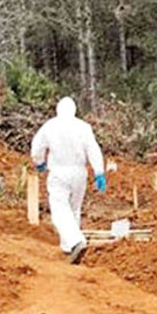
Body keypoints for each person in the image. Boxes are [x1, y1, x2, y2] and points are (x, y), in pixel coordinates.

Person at [31, 96, 106, 264]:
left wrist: (39, 162)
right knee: (74, 209)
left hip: (59, 171)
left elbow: (37, 147)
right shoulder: (83, 127)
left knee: (59, 210)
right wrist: (99, 172)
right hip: (79, 173)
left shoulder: (50, 125)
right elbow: (93, 150)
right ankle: (69, 248)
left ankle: (75, 241)